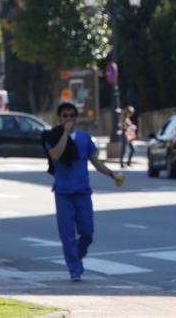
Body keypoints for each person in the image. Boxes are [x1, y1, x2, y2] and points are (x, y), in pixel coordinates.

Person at [44, 102, 118, 282]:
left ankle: (77, 255)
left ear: (76, 118)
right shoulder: (53, 137)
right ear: (60, 119)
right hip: (63, 192)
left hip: (82, 192)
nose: (68, 119)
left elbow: (95, 161)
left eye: (71, 116)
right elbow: (55, 155)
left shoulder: (85, 138)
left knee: (87, 232)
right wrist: (65, 135)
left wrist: (111, 173)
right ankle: (74, 269)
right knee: (67, 234)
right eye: (65, 116)